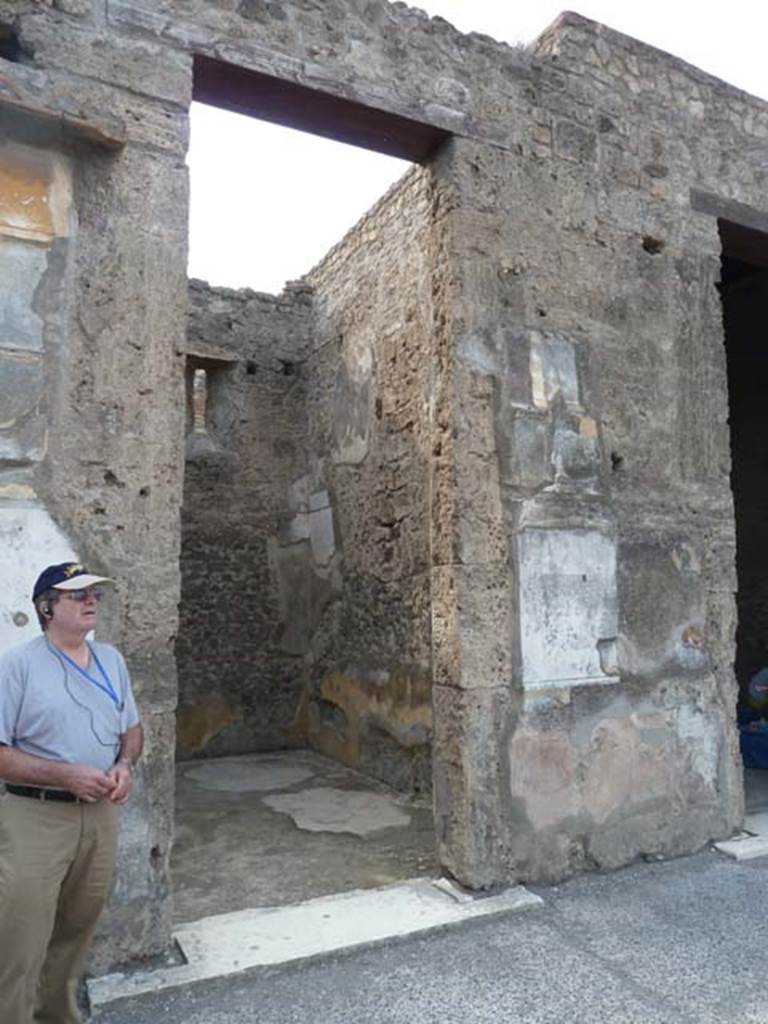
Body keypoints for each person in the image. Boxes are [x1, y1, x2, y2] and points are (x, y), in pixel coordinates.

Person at [0, 562, 143, 1024]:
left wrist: (124, 765)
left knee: (77, 928)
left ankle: (57, 1016)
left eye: (94, 594)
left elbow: (133, 729)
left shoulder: (111, 660)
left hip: (101, 814)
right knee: (21, 935)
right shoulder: (15, 665)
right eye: (76, 594)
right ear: (46, 607)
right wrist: (65, 776)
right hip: (34, 816)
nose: (90, 601)